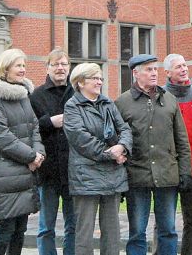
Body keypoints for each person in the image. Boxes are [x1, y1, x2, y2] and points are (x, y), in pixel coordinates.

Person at [115, 54, 191, 255]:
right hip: (136, 176)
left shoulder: (169, 99)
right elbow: (116, 142)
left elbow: (181, 139)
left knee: (168, 230)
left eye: (155, 69)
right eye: (148, 69)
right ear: (135, 73)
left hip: (167, 175)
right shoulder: (122, 103)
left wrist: (184, 172)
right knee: (137, 232)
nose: (154, 73)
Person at [0, 48, 45, 255]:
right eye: (18, 65)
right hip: (5, 173)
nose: (23, 69)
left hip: (26, 171)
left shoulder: (23, 95)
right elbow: (0, 134)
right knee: (6, 229)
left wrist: (38, 153)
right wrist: (30, 156)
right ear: (5, 68)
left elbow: (34, 127)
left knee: (20, 228)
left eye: (24, 65)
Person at [63, 63, 132, 255]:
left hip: (113, 177)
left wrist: (123, 147)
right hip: (86, 177)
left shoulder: (108, 103)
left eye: (100, 78)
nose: (99, 81)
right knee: (84, 234)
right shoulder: (72, 106)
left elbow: (124, 129)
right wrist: (111, 153)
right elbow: (80, 138)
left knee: (112, 232)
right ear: (81, 82)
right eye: (95, 78)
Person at [30, 48, 75, 255]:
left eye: (64, 64)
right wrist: (49, 122)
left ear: (69, 68)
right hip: (47, 170)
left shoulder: (76, 93)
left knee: (72, 224)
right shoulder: (37, 95)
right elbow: (30, 128)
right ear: (47, 68)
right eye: (55, 64)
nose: (60, 68)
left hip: (73, 170)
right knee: (46, 226)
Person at [162, 53, 192, 255]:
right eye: (178, 66)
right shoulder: (160, 96)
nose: (183, 69)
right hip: (166, 166)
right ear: (168, 72)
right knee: (165, 219)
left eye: (185, 65)